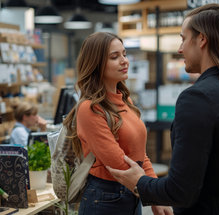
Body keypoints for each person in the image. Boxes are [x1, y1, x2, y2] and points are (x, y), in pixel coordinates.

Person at [107, 3, 219, 215]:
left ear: (202, 39)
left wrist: (140, 182)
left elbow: (181, 191)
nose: (180, 49)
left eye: (183, 38)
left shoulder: (197, 98)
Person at [63, 32, 172, 215]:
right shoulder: (90, 108)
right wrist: (151, 192)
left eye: (124, 54)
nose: (124, 61)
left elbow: (139, 154)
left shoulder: (126, 101)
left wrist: (156, 195)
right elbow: (118, 163)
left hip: (131, 192)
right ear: (96, 64)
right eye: (115, 57)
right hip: (105, 198)